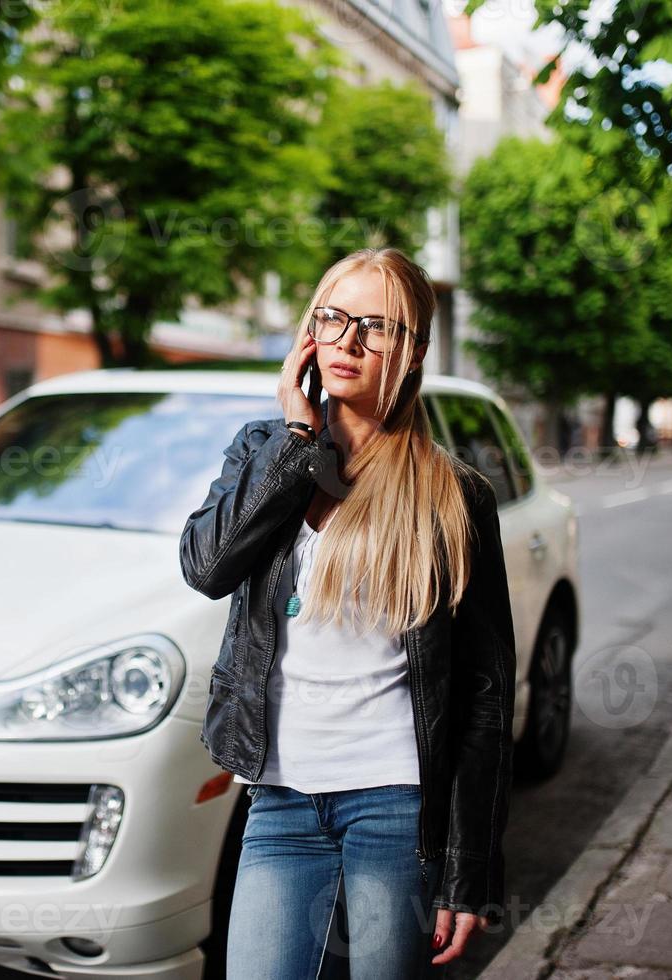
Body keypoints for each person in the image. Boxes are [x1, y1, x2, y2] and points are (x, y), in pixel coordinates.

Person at [178, 247, 516, 979]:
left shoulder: (454, 496)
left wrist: (468, 868)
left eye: (377, 326)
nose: (349, 342)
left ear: (414, 350)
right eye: (332, 318)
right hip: (278, 796)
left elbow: (486, 694)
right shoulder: (265, 451)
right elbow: (206, 567)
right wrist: (298, 438)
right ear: (309, 334)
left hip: (393, 802)